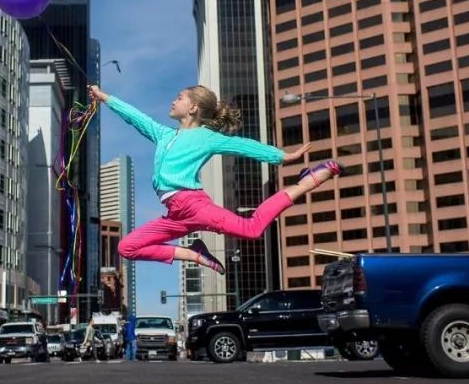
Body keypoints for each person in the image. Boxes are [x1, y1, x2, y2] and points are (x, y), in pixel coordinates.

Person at [89, 84, 340, 274]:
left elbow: (241, 145)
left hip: (193, 205)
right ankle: (195, 254)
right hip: (176, 214)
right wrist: (105, 98)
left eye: (179, 98)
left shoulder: (206, 137)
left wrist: (281, 157)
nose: (173, 101)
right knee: (126, 247)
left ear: (193, 108)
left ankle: (306, 182)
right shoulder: (164, 134)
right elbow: (136, 117)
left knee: (251, 229)